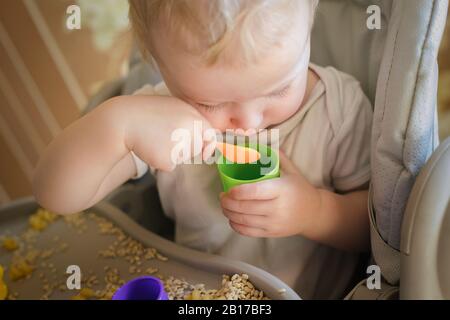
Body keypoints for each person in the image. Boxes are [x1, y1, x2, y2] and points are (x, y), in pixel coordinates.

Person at [33, 0, 373, 299]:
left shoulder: (338, 111)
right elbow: (56, 196)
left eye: (280, 88)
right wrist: (117, 124)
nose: (248, 122)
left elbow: (374, 231)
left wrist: (314, 211)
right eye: (211, 102)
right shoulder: (158, 119)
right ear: (155, 59)